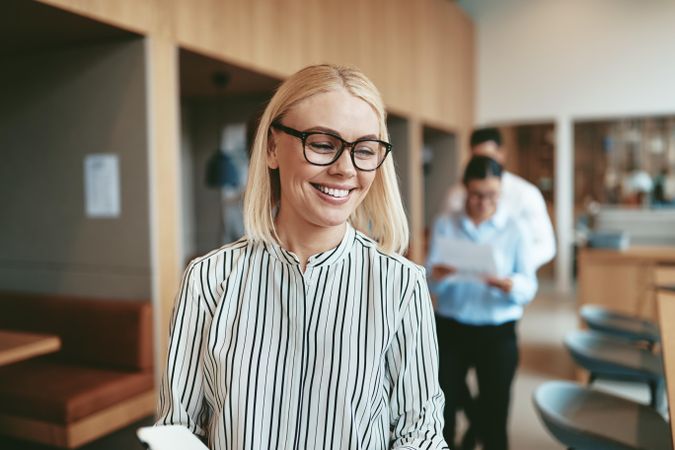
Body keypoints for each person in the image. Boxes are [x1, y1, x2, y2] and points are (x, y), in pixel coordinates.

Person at [157, 64, 447, 450]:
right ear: (273, 148)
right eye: (323, 144)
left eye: (363, 150)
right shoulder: (208, 279)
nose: (345, 169)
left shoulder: (400, 285)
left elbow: (421, 434)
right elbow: (178, 429)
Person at [427, 155, 538, 450]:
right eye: (476, 194)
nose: (483, 202)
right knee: (442, 409)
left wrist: (509, 284)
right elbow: (429, 278)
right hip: (451, 327)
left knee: (495, 413)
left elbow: (529, 286)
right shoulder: (445, 224)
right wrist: (438, 274)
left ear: (501, 191)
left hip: (497, 331)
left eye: (491, 195)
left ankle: (479, 435)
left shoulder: (515, 228)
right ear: (465, 189)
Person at [446, 127, 556, 269]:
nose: (484, 164)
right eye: (477, 158)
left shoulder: (526, 194)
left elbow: (546, 245)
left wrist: (512, 265)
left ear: (502, 154)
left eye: (488, 156)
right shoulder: (455, 194)